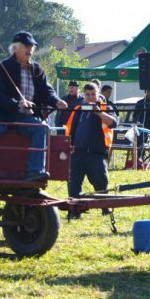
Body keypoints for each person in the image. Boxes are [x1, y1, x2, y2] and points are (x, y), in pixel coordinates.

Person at [0, 31, 67, 181]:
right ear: (16, 48)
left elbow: (46, 91)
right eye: (27, 46)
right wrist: (16, 103)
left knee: (41, 128)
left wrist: (56, 101)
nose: (30, 49)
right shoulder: (4, 67)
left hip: (24, 117)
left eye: (32, 46)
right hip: (2, 114)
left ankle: (35, 171)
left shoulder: (37, 70)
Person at [64, 82, 118, 219]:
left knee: (101, 182)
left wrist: (99, 113)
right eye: (87, 94)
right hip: (77, 152)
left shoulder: (106, 107)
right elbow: (71, 129)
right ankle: (74, 210)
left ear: (98, 93)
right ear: (84, 95)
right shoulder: (78, 108)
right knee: (74, 183)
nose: (90, 97)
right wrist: (69, 145)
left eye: (93, 94)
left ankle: (105, 209)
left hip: (96, 153)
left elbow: (113, 123)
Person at [133, 89, 150, 167]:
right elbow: (135, 115)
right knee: (141, 144)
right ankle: (140, 161)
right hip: (142, 127)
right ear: (146, 92)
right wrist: (135, 124)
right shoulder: (141, 102)